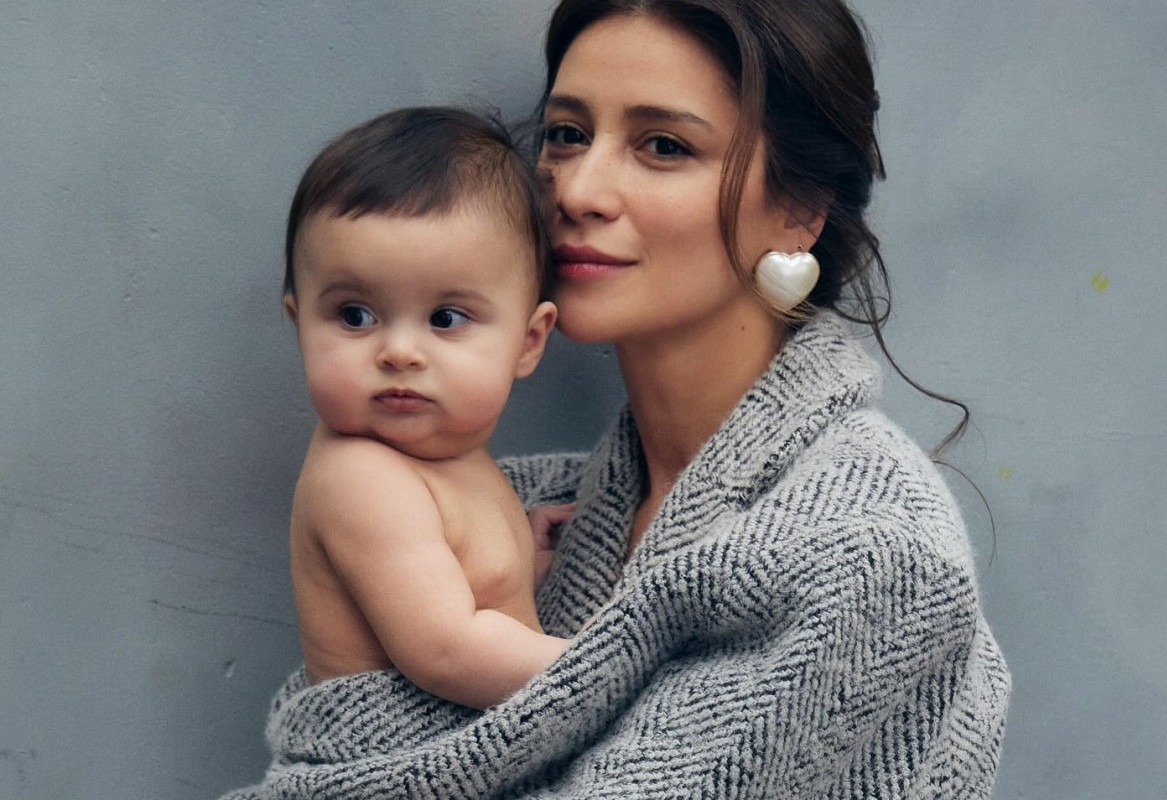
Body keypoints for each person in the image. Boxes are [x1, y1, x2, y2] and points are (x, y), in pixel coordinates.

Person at [224, 2, 1010, 797]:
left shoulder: (870, 551)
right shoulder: (518, 506)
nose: (578, 190)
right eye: (566, 134)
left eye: (664, 146)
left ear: (799, 208)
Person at [282, 106, 567, 710]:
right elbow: (448, 651)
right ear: (299, 323)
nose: (400, 352)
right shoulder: (361, 476)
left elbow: (470, 594)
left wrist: (527, 559)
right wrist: (610, 663)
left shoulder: (453, 460)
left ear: (527, 341)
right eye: (355, 315)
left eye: (445, 318)